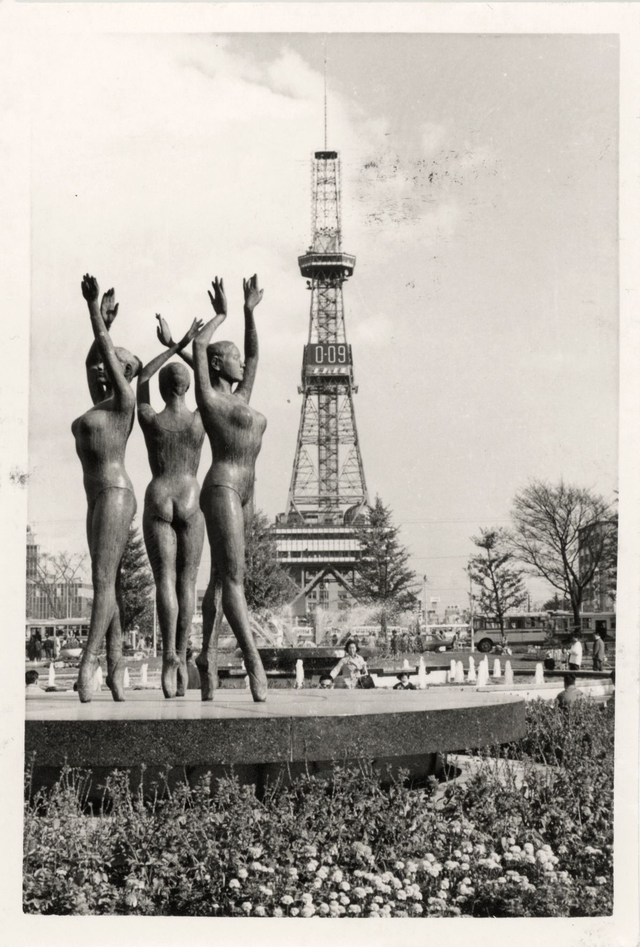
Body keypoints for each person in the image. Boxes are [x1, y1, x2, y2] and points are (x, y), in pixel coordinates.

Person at [191, 275, 268, 702]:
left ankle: (205, 657)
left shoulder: (240, 397)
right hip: (222, 487)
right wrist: (220, 314)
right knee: (233, 579)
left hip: (241, 492)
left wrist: (248, 312)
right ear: (219, 366)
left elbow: (255, 355)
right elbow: (201, 348)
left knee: (219, 582)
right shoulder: (211, 400)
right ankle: (254, 664)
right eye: (233, 357)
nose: (241, 362)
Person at [73, 276, 140, 703]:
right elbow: (88, 362)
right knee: (109, 582)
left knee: (102, 581)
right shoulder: (98, 406)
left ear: (124, 374)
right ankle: (117, 670)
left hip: (115, 493)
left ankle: (90, 660)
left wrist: (94, 310)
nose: (100, 368)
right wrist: (103, 328)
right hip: (96, 498)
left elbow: (107, 365)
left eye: (109, 365)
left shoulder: (123, 404)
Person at [138, 314, 205, 698]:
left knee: (164, 580)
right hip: (191, 496)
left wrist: (171, 346)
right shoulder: (199, 420)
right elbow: (210, 388)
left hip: (160, 493)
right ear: (188, 387)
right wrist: (186, 346)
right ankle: (182, 654)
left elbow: (141, 380)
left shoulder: (150, 418)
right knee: (187, 582)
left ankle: (168, 658)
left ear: (165, 388)